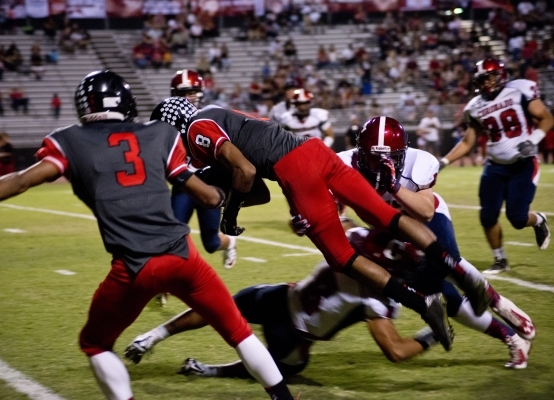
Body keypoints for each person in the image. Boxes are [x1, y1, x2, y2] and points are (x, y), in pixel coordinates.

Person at [0, 71, 294, 400]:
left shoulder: (72, 140)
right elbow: (207, 197)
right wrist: (226, 194)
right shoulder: (158, 135)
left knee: (94, 343)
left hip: (134, 266)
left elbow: (20, 180)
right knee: (239, 332)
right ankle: (281, 396)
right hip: (183, 256)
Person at [150, 97, 494, 351]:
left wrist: (230, 212)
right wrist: (228, 195)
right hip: (314, 152)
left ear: (172, 122)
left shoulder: (196, 128)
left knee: (342, 257)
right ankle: (462, 271)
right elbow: (257, 190)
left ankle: (421, 303)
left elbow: (248, 172)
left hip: (296, 169)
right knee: (386, 216)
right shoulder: (218, 113)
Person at [125, 225, 531, 375]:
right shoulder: (380, 296)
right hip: (297, 336)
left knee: (217, 308)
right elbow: (394, 351)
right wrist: (426, 336)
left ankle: (152, 337)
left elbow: (319, 227)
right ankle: (212, 371)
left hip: (279, 296)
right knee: (280, 368)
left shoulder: (355, 236)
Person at [341, 115, 535, 363]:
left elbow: (425, 210)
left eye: (387, 159)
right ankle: (512, 338)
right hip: (389, 229)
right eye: (372, 157)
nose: (379, 165)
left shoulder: (419, 161)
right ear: (360, 151)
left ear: (403, 152)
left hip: (424, 218)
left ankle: (498, 302)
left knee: (446, 260)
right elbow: (332, 207)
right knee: (446, 300)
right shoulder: (344, 163)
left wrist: (394, 187)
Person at [439, 58, 553, 273]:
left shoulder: (520, 90)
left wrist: (534, 139)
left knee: (517, 218)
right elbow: (468, 142)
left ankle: (538, 220)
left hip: (523, 164)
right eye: (482, 80)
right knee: (487, 216)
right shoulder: (474, 107)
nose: (486, 83)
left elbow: (546, 118)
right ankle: (500, 259)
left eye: (490, 77)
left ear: (500, 75)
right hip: (495, 166)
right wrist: (443, 162)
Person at [168, 70, 244, 270]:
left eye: (192, 91)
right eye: (184, 91)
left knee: (211, 243)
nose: (188, 96)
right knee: (171, 234)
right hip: (183, 183)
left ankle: (230, 242)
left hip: (209, 182)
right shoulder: (167, 116)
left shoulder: (212, 113)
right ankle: (167, 282)